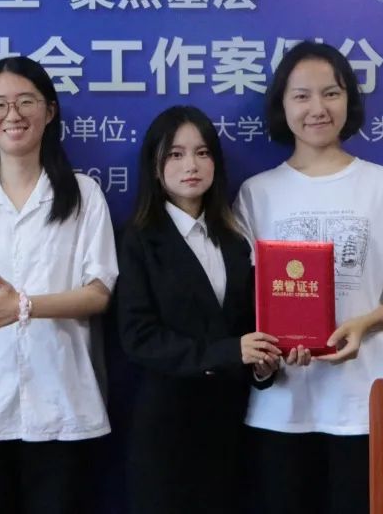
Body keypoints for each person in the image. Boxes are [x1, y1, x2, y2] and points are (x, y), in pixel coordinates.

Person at [234, 42, 383, 514]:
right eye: (301, 96)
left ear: (348, 100)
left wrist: (363, 325)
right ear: (282, 105)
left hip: (364, 403)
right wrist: (269, 354)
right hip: (282, 405)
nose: (317, 108)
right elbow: (246, 301)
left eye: (331, 93)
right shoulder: (257, 193)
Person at [0, 56, 119, 514]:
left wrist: (25, 306)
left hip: (61, 402)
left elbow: (99, 293)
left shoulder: (82, 194)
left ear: (49, 111)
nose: (12, 115)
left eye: (25, 102)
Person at [116, 105, 280, 514]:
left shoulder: (235, 238)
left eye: (202, 152)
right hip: (167, 426)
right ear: (155, 167)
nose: (191, 165)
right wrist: (228, 352)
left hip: (232, 422)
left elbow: (248, 326)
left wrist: (263, 364)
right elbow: (139, 338)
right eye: (175, 154)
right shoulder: (138, 239)